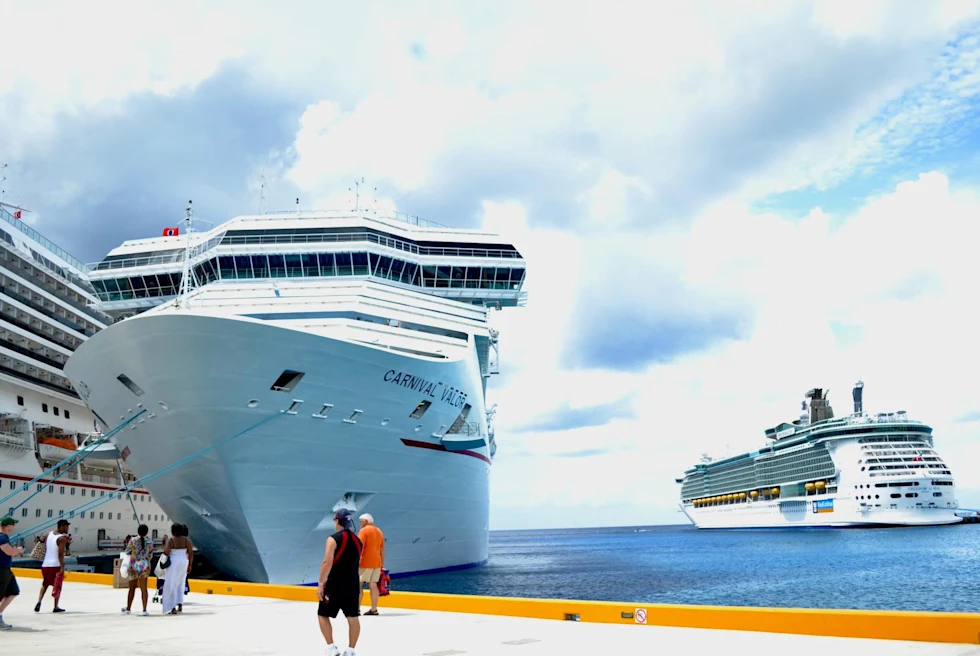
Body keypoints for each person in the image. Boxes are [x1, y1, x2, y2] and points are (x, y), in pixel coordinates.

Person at [317, 509, 363, 656]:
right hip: (353, 584)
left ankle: (331, 647)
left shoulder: (332, 539)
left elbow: (327, 562)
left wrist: (320, 583)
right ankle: (351, 650)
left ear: (337, 521)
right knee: (353, 617)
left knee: (322, 614)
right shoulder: (358, 541)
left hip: (335, 584)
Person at [35, 519, 68, 613]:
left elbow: (42, 542)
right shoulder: (62, 538)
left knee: (45, 584)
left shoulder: (48, 534)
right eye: (66, 526)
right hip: (55, 565)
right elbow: (60, 554)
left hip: (45, 564)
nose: (67, 528)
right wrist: (62, 567)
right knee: (57, 586)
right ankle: (56, 607)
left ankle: (39, 602)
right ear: (62, 526)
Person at [357, 513, 385, 615]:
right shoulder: (379, 531)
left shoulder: (364, 531)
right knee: (373, 585)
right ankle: (374, 609)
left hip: (365, 562)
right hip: (377, 562)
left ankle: (356, 608)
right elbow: (382, 548)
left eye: (360, 520)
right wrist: (382, 563)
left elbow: (359, 546)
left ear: (366, 521)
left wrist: (356, 561)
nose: (359, 522)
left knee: (358, 585)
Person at [0, 516, 25, 630]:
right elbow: (9, 552)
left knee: (13, 591)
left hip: (6, 569)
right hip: (1, 569)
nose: (14, 526)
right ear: (8, 526)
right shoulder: (2, 538)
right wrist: (19, 550)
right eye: (13, 524)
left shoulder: (4, 537)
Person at [161, 523, 192, 615]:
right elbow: (190, 553)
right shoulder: (187, 541)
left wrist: (161, 565)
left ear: (172, 531)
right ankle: (180, 603)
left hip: (173, 561)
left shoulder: (170, 540)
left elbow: (166, 552)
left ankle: (172, 606)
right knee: (180, 583)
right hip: (184, 561)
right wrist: (190, 565)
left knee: (171, 583)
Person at [122, 524, 152, 616]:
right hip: (145, 565)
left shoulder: (133, 540)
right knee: (144, 589)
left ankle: (128, 609)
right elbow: (150, 555)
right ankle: (144, 610)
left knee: (132, 589)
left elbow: (127, 551)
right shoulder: (149, 541)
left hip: (134, 565)